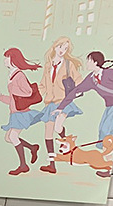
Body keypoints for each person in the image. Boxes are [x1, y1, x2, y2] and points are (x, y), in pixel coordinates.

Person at [57, 50, 113, 176]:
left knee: (108, 135)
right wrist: (61, 107)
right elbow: (76, 91)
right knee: (103, 135)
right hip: (110, 108)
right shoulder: (91, 79)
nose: (87, 63)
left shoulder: (110, 73)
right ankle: (110, 168)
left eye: (89, 61)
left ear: (95, 62)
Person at [38, 37, 82, 174]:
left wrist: (77, 91)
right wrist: (32, 95)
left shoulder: (68, 64)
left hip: (63, 102)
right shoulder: (48, 65)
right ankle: (52, 164)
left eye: (65, 48)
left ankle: (67, 142)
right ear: (55, 47)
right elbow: (43, 85)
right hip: (50, 102)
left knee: (58, 127)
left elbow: (78, 79)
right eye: (60, 47)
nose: (62, 50)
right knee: (48, 132)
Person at [0, 48, 42, 176]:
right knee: (8, 138)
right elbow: (14, 99)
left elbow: (28, 92)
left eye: (7, 57)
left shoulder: (19, 75)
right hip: (15, 112)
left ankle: (23, 165)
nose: (5, 60)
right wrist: (1, 97)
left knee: (12, 137)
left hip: (21, 113)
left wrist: (13, 89)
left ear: (13, 59)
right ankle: (32, 148)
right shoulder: (11, 75)